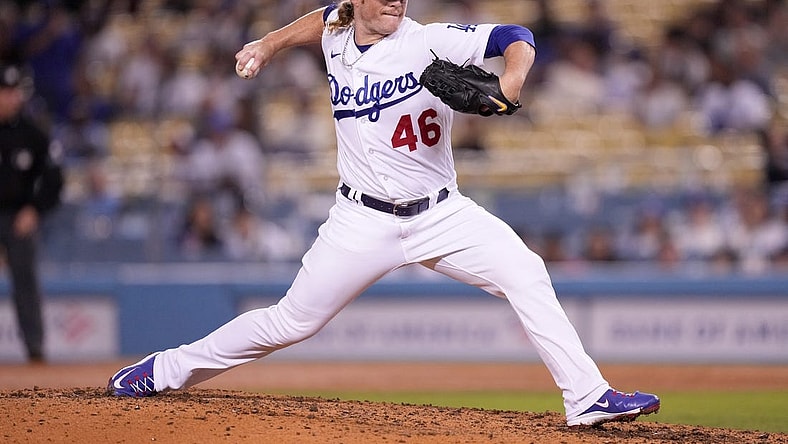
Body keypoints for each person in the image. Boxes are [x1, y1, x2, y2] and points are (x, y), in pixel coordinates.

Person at [107, 0, 660, 427]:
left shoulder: (429, 40)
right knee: (289, 322)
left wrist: (512, 80)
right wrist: (270, 44)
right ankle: (164, 370)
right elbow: (323, 18)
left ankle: (586, 398)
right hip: (360, 220)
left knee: (526, 271)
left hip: (441, 214)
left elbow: (516, 36)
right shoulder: (336, 34)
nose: (395, 3)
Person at [0, 61, 64, 363]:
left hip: (17, 217)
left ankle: (35, 349)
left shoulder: (31, 133)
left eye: (15, 92)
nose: (12, 98)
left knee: (25, 283)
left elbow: (54, 178)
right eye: (6, 92)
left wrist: (34, 209)